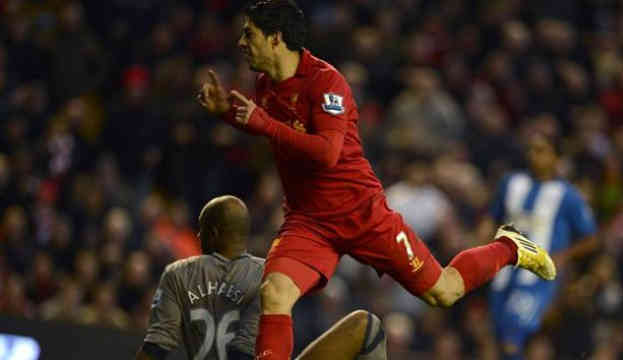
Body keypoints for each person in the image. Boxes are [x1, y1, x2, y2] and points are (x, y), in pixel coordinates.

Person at [196, 1, 556, 359]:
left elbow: (327, 152)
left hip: (362, 214)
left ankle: (510, 247)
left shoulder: (326, 82)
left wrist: (264, 124)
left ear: (275, 38)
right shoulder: (265, 85)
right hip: (308, 222)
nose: (241, 42)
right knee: (274, 292)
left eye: (249, 33)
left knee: (444, 291)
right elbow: (271, 128)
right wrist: (226, 112)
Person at [135, 195, 387, 360]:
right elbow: (244, 350)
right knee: (367, 326)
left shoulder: (177, 273)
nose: (199, 237)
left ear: (212, 232)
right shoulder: (267, 274)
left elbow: (155, 348)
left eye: (201, 231)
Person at [477, 133, 598, 359]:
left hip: (536, 278)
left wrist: (564, 256)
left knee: (514, 335)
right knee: (498, 335)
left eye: (542, 151)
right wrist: (481, 246)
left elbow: (591, 238)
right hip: (503, 273)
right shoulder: (511, 183)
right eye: (532, 150)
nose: (534, 156)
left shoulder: (567, 195)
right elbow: (492, 219)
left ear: (556, 157)